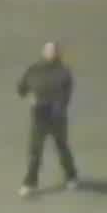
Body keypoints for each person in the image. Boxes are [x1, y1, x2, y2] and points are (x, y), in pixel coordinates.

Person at [18, 41, 78, 196]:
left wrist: (58, 107)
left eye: (54, 50)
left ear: (58, 54)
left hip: (57, 116)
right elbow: (21, 88)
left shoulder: (63, 72)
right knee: (35, 151)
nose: (51, 53)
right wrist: (28, 95)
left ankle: (71, 176)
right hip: (39, 115)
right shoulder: (33, 70)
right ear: (43, 52)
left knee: (62, 147)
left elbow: (66, 95)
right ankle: (30, 183)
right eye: (48, 50)